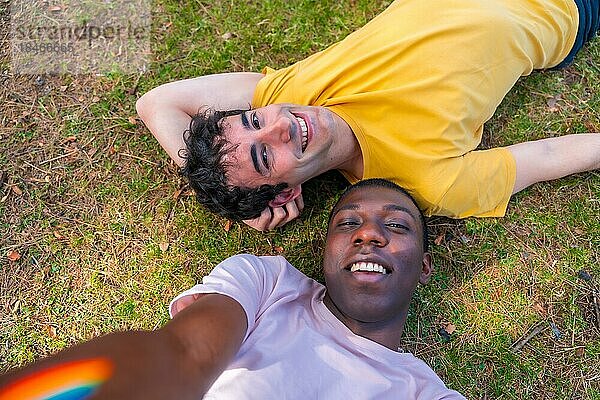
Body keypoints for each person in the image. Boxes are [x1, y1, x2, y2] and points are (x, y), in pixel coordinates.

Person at [136, 0, 600, 231]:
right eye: (264, 158)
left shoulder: (292, 91)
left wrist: (238, 203)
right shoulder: (426, 181)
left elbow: (155, 102)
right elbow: (549, 155)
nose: (280, 125)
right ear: (287, 193)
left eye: (255, 121)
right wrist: (249, 205)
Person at [0, 179, 465, 399]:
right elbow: (184, 353)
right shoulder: (267, 283)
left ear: (424, 267)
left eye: (397, 226)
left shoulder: (423, 392)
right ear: (326, 252)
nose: (369, 234)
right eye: (347, 223)